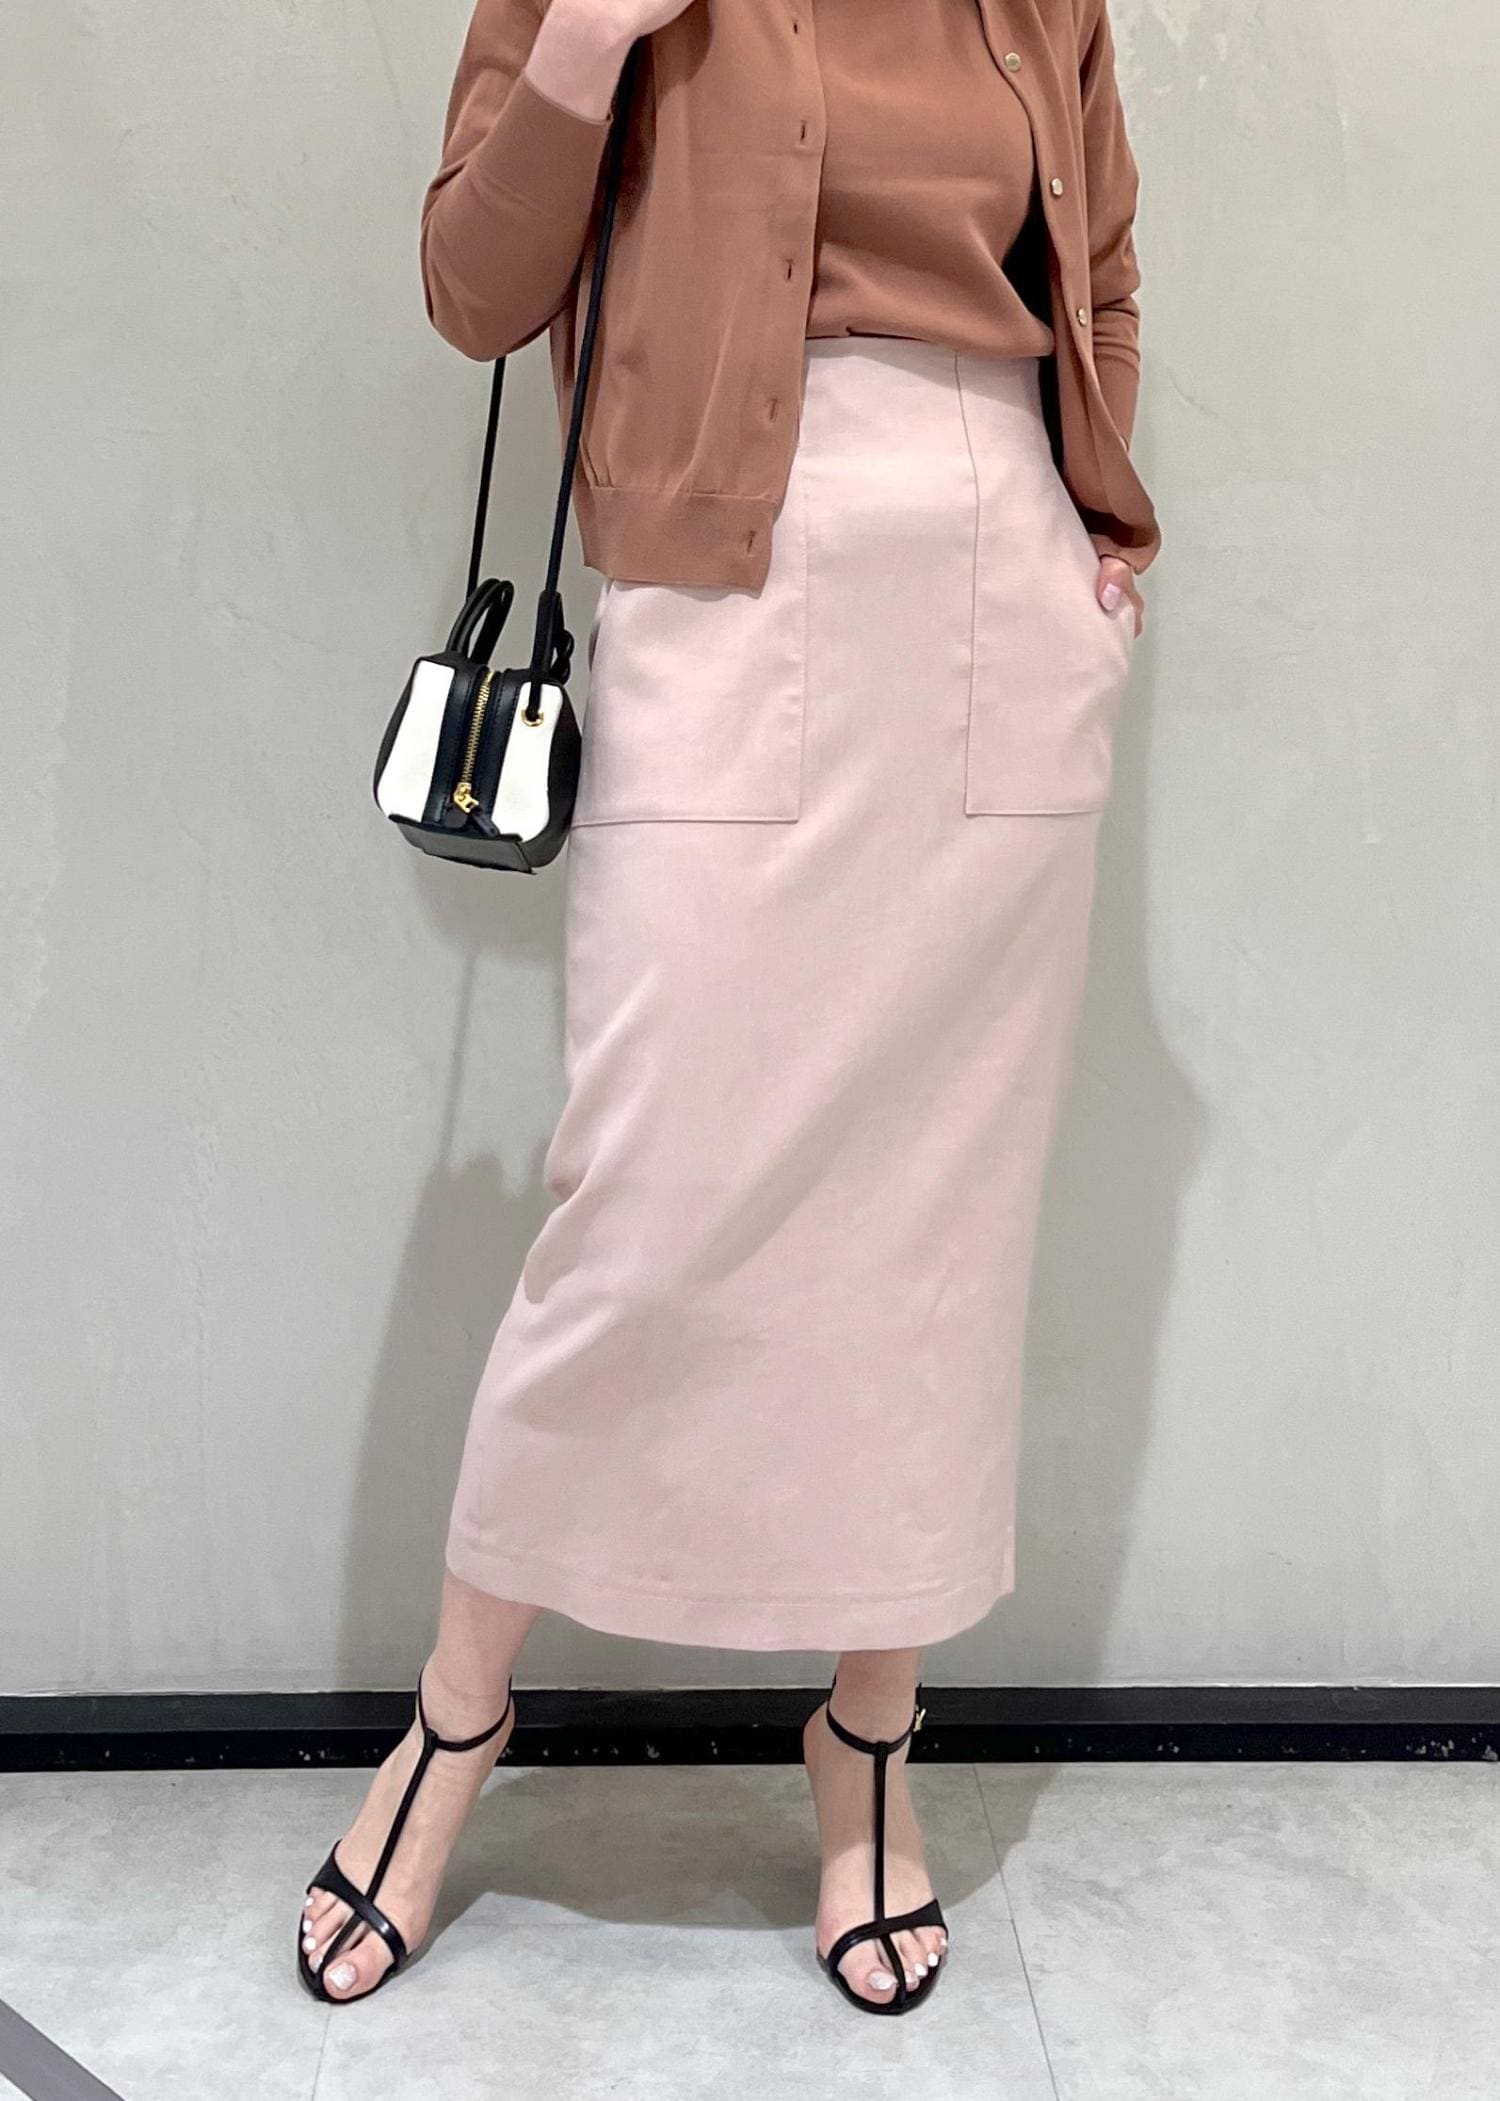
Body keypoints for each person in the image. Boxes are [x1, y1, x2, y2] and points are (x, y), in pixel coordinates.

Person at [297, 0, 1159, 2018]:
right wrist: (591, 39)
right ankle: (455, 1718)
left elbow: (1101, 267)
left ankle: (868, 1739)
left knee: (931, 1228)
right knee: (647, 1203)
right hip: (721, 580)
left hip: (995, 598)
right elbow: (473, 284)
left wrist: (1103, 532)